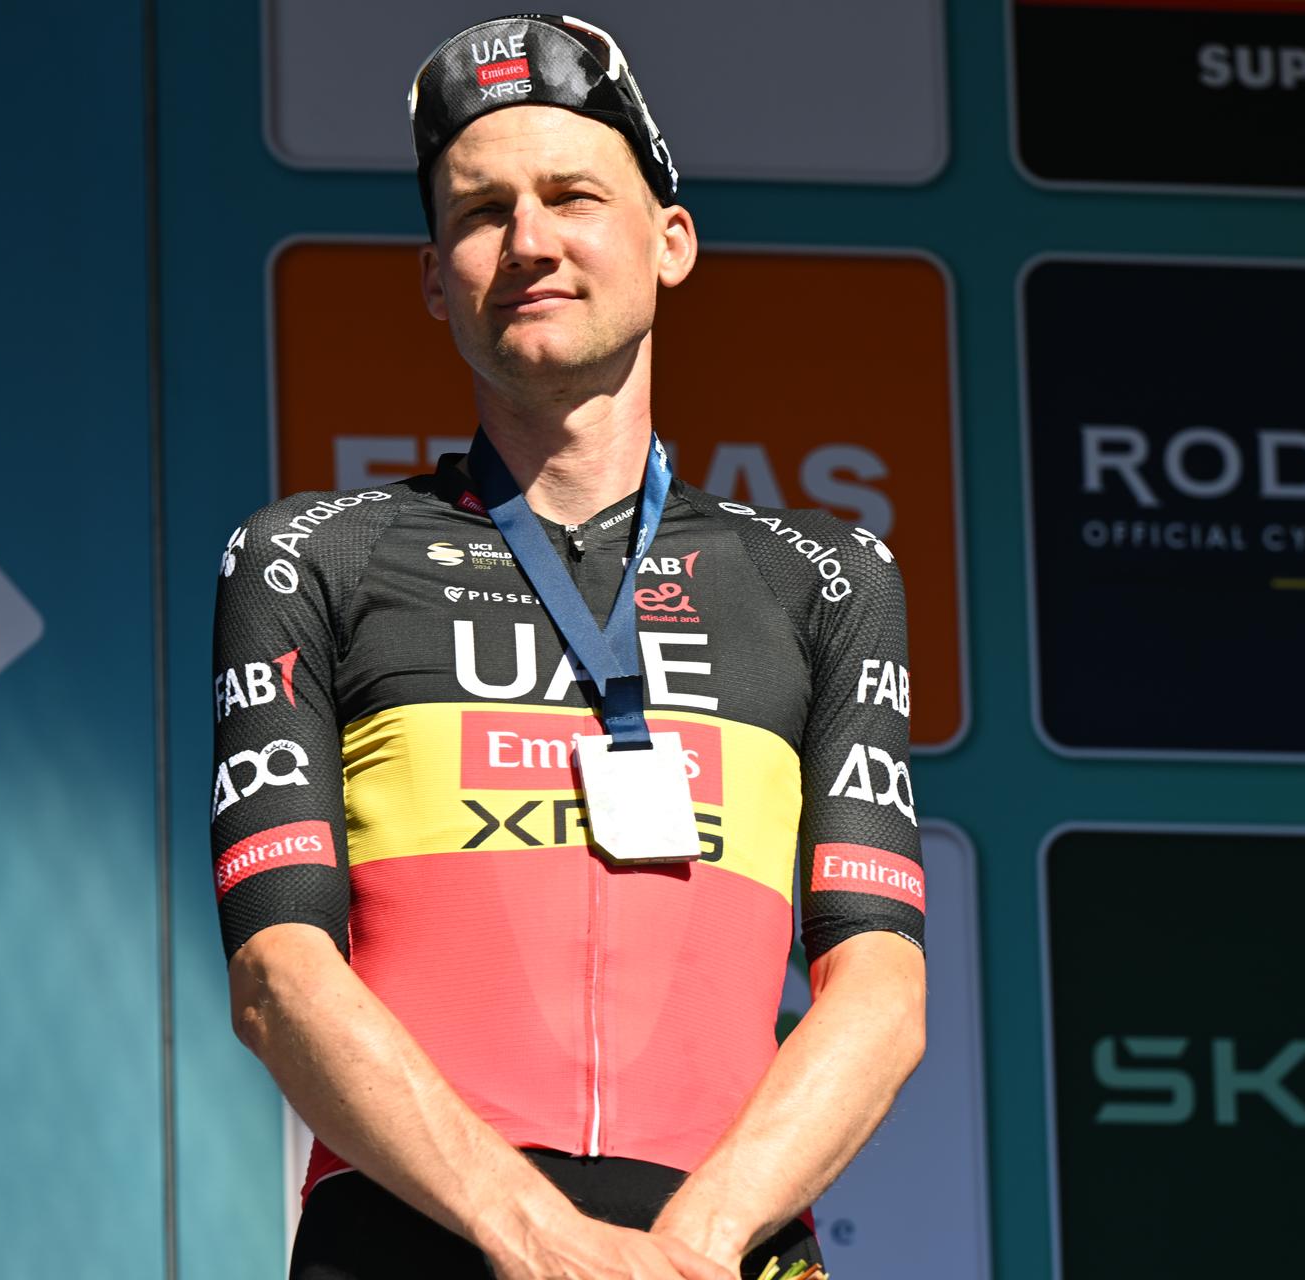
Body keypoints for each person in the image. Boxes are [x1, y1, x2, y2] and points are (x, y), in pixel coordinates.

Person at [209, 14, 927, 1279]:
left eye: (572, 194)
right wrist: (539, 1242)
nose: (529, 240)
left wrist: (690, 1247)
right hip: (418, 1243)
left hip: (730, 1253)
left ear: (671, 240)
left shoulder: (822, 577)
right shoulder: (307, 558)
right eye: (481, 211)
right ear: (435, 279)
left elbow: (881, 989)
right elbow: (278, 970)